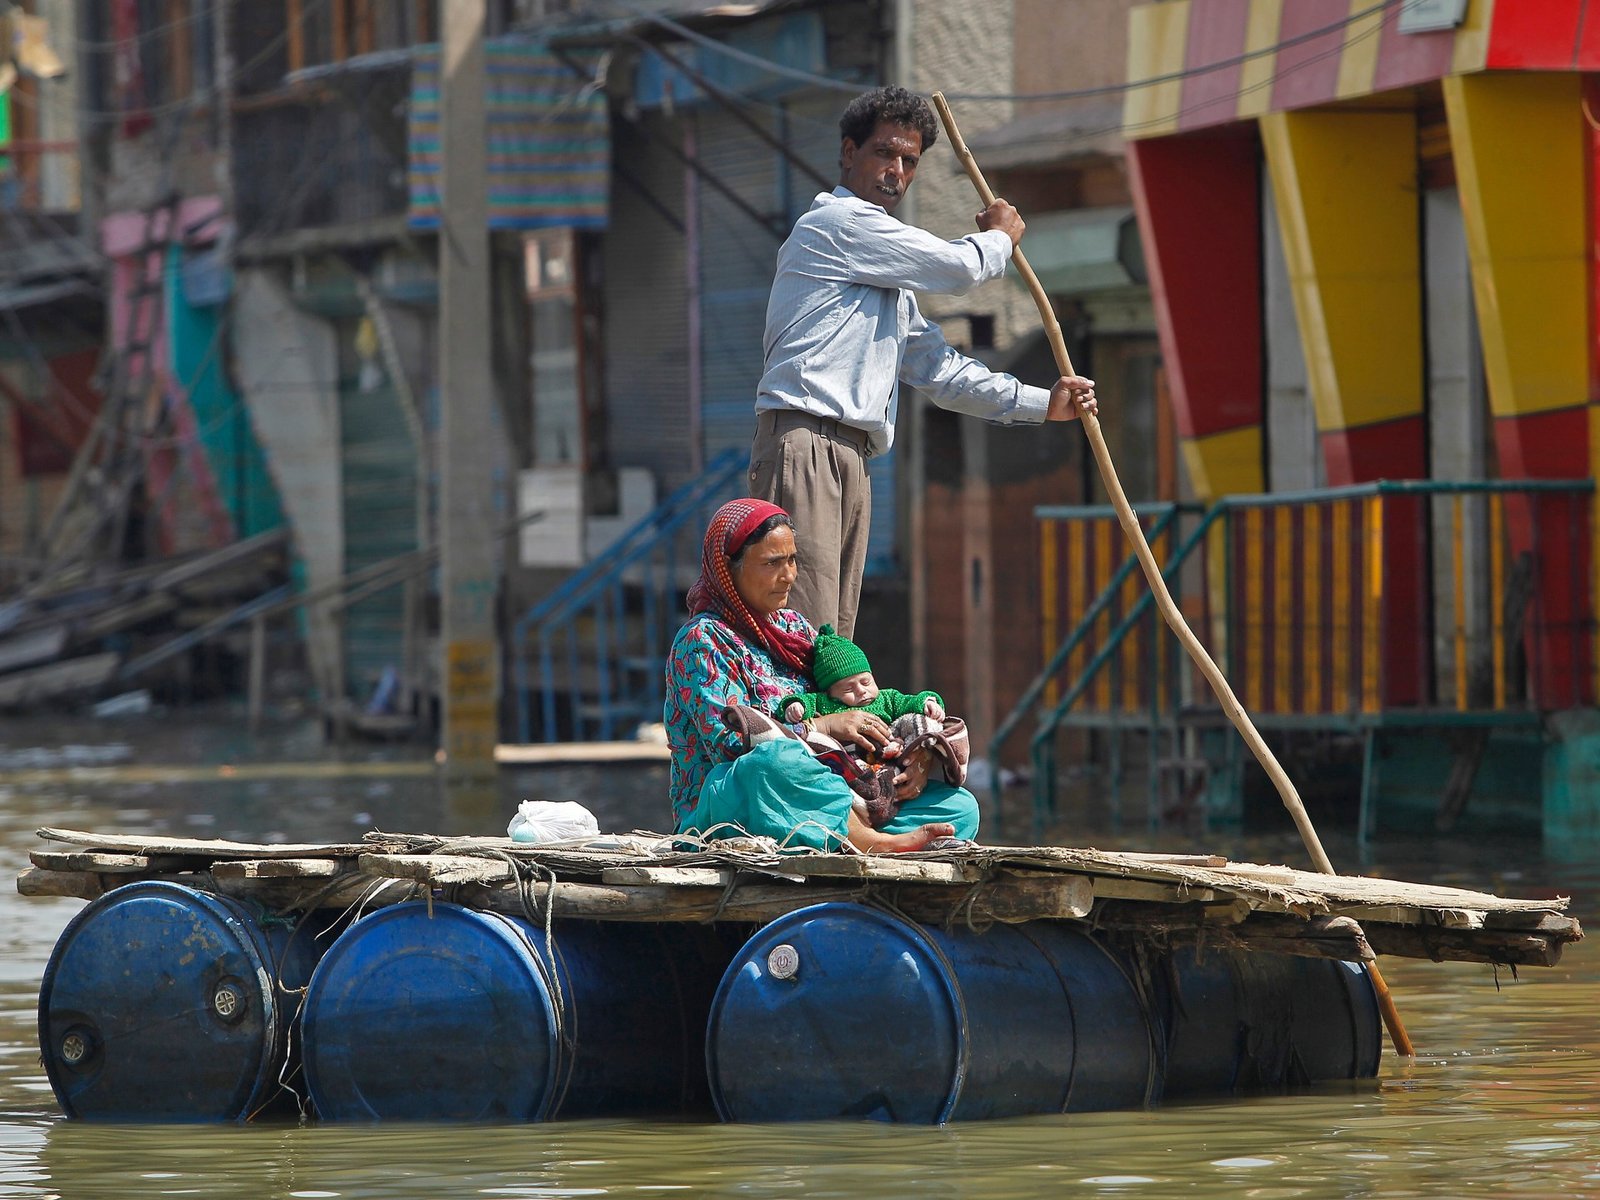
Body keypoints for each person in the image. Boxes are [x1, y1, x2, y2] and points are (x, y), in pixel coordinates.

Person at [750, 84, 1099, 639]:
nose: (895, 170)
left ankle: (828, 724)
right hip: (805, 445)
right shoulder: (837, 225)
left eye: (908, 161)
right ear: (848, 152)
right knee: (802, 626)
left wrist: (1042, 403)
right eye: (883, 153)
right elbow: (959, 269)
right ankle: (794, 726)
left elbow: (941, 371)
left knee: (834, 637)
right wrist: (1000, 240)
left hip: (849, 455)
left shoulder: (887, 277)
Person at [665, 497, 979, 853]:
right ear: (728, 568)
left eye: (792, 560)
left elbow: (854, 706)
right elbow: (730, 745)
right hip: (739, 802)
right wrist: (825, 727)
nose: (789, 576)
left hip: (832, 788)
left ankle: (849, 831)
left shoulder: (796, 628)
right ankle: (875, 844)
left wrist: (915, 761)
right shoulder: (701, 640)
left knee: (959, 807)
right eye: (772, 564)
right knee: (772, 762)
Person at [777, 623, 943, 725]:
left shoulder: (888, 699)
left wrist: (927, 703)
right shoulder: (825, 703)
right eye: (848, 689)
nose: (861, 691)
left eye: (866, 682)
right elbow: (807, 701)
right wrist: (796, 707)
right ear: (830, 693)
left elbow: (910, 702)